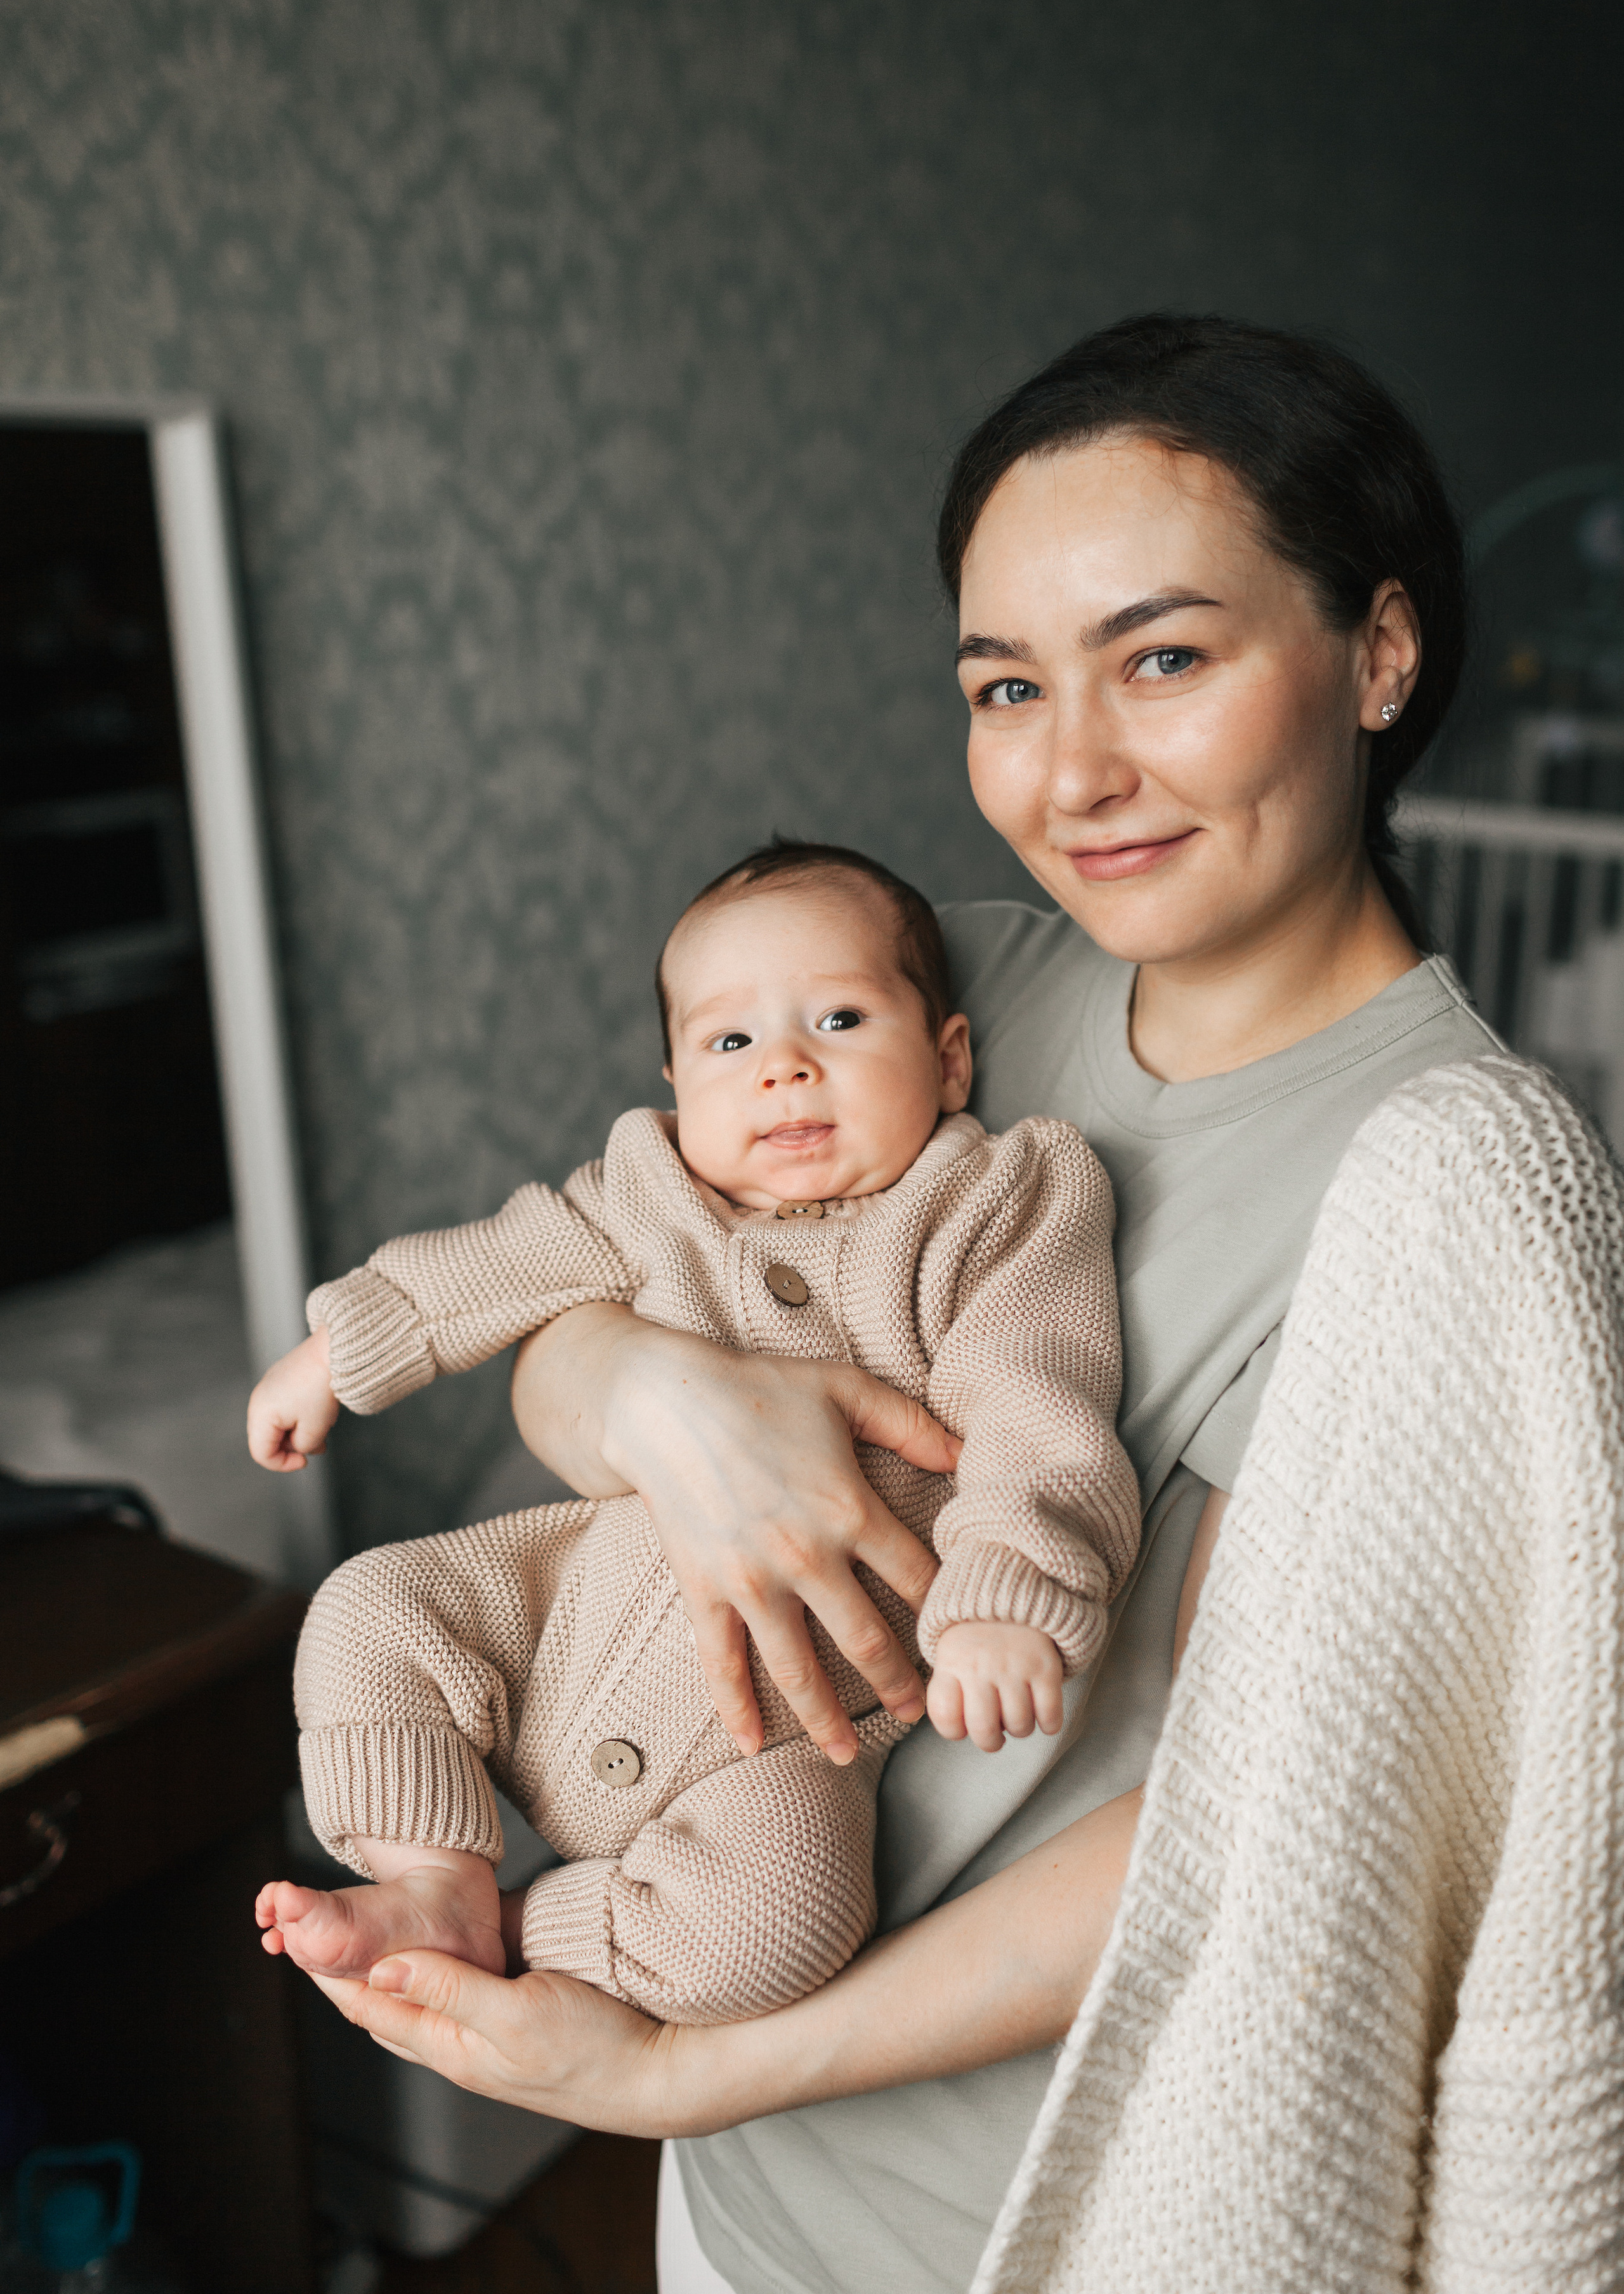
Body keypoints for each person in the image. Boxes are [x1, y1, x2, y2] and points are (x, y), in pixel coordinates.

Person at [308, 313, 1505, 2294]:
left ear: (1378, 653)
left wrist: (696, 2072)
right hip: (740, 2179)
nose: (1072, 768)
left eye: (1169, 657)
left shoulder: (1445, 1191)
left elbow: (1242, 1837)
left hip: (1000, 2210)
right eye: (1008, 684)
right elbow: (585, 1301)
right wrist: (670, 1408)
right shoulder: (951, 970)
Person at [249, 841, 1139, 2022]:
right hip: (559, 1616)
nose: (784, 1070)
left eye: (838, 1019)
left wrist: (1002, 1599)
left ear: (951, 1057)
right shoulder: (648, 1191)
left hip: (783, 1731)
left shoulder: (993, 1207)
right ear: (675, 1084)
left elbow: (1038, 1403)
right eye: (731, 1044)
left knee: (784, 1922)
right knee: (371, 1608)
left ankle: (526, 1929)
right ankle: (434, 1878)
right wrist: (345, 1349)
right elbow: (501, 1263)